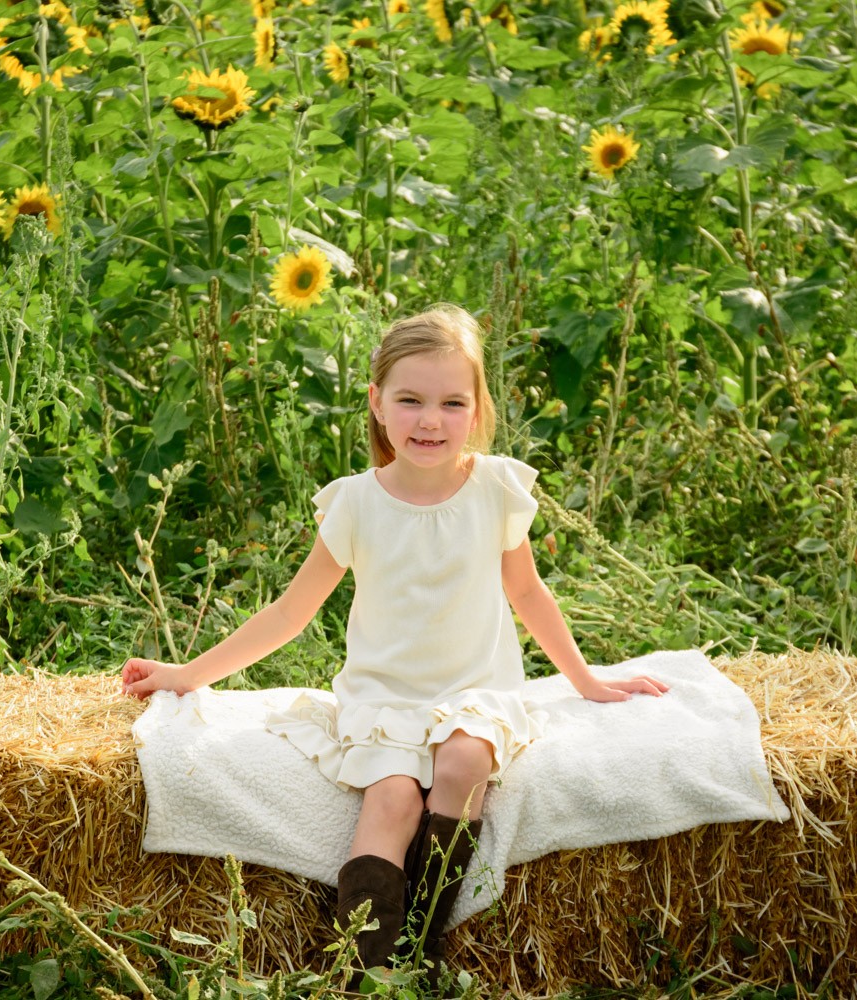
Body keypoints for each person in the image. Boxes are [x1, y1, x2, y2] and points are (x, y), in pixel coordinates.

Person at [121, 305, 667, 972]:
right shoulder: (357, 503)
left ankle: (416, 956)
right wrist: (187, 674)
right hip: (383, 698)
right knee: (392, 799)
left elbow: (528, 593)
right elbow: (290, 614)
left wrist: (586, 681)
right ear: (377, 403)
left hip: (475, 690)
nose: (430, 420)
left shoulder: (495, 489)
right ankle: (363, 973)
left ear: (477, 410)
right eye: (410, 400)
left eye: (451, 403)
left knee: (463, 764)